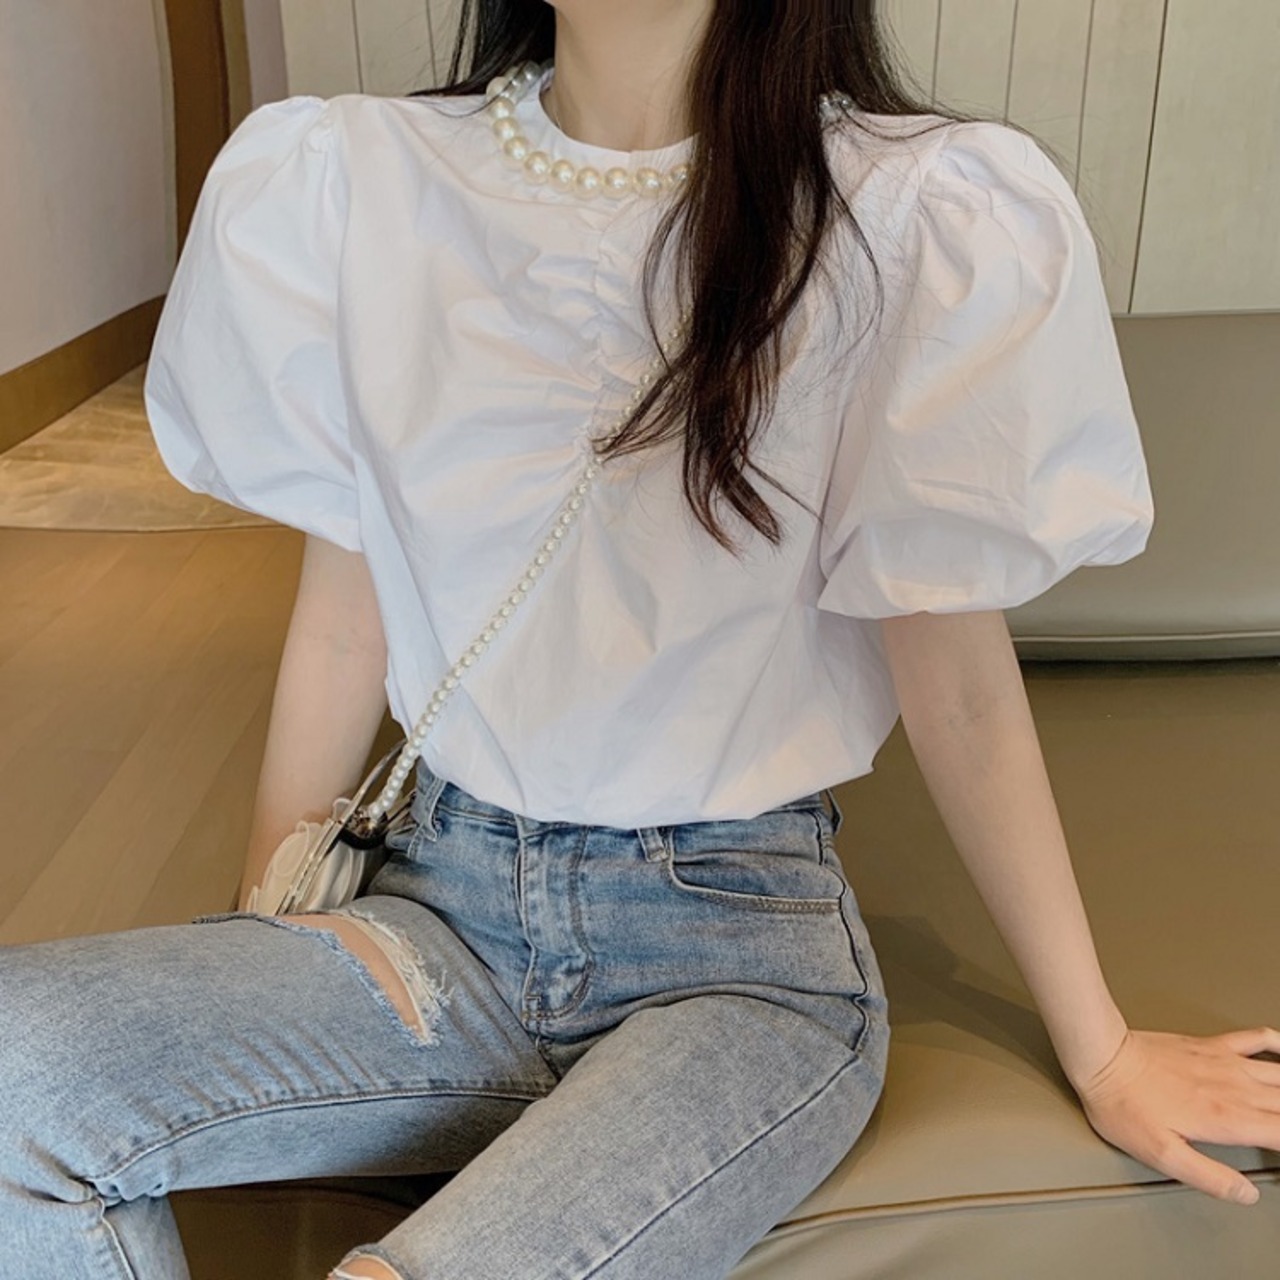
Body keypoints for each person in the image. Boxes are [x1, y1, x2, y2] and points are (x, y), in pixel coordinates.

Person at [2, 1, 1275, 1277]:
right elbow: (346, 618)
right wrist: (273, 922)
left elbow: (960, 691)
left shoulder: (909, 211)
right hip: (441, 912)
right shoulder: (355, 181)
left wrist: (1102, 1047)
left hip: (737, 959)